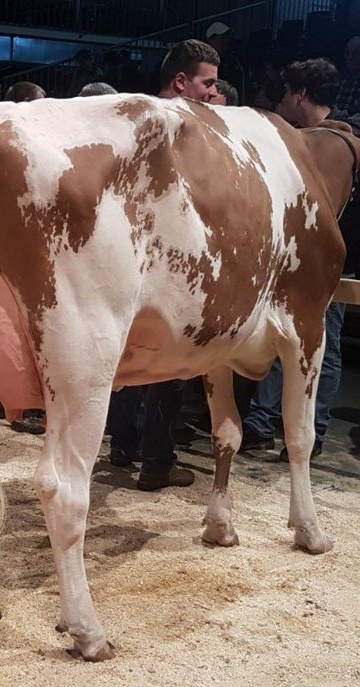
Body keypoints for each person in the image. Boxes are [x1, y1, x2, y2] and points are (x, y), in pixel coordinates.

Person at [239, 58, 360, 460]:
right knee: (280, 341)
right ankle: (262, 422)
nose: (283, 101)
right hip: (289, 262)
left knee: (324, 346)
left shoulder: (348, 141)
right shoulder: (299, 138)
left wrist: (339, 253)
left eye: (287, 93)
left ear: (300, 94)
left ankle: (313, 429)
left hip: (323, 266)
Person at [105, 39, 219, 492]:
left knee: (128, 360)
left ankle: (123, 445)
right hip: (171, 263)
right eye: (207, 83)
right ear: (181, 81)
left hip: (127, 256)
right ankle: (156, 462)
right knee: (169, 367)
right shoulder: (180, 126)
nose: (211, 93)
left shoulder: (134, 119)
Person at [0, 81, 47, 436]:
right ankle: (13, 403)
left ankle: (4, 401)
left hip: (0, 253)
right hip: (12, 254)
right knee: (14, 330)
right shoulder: (17, 148)